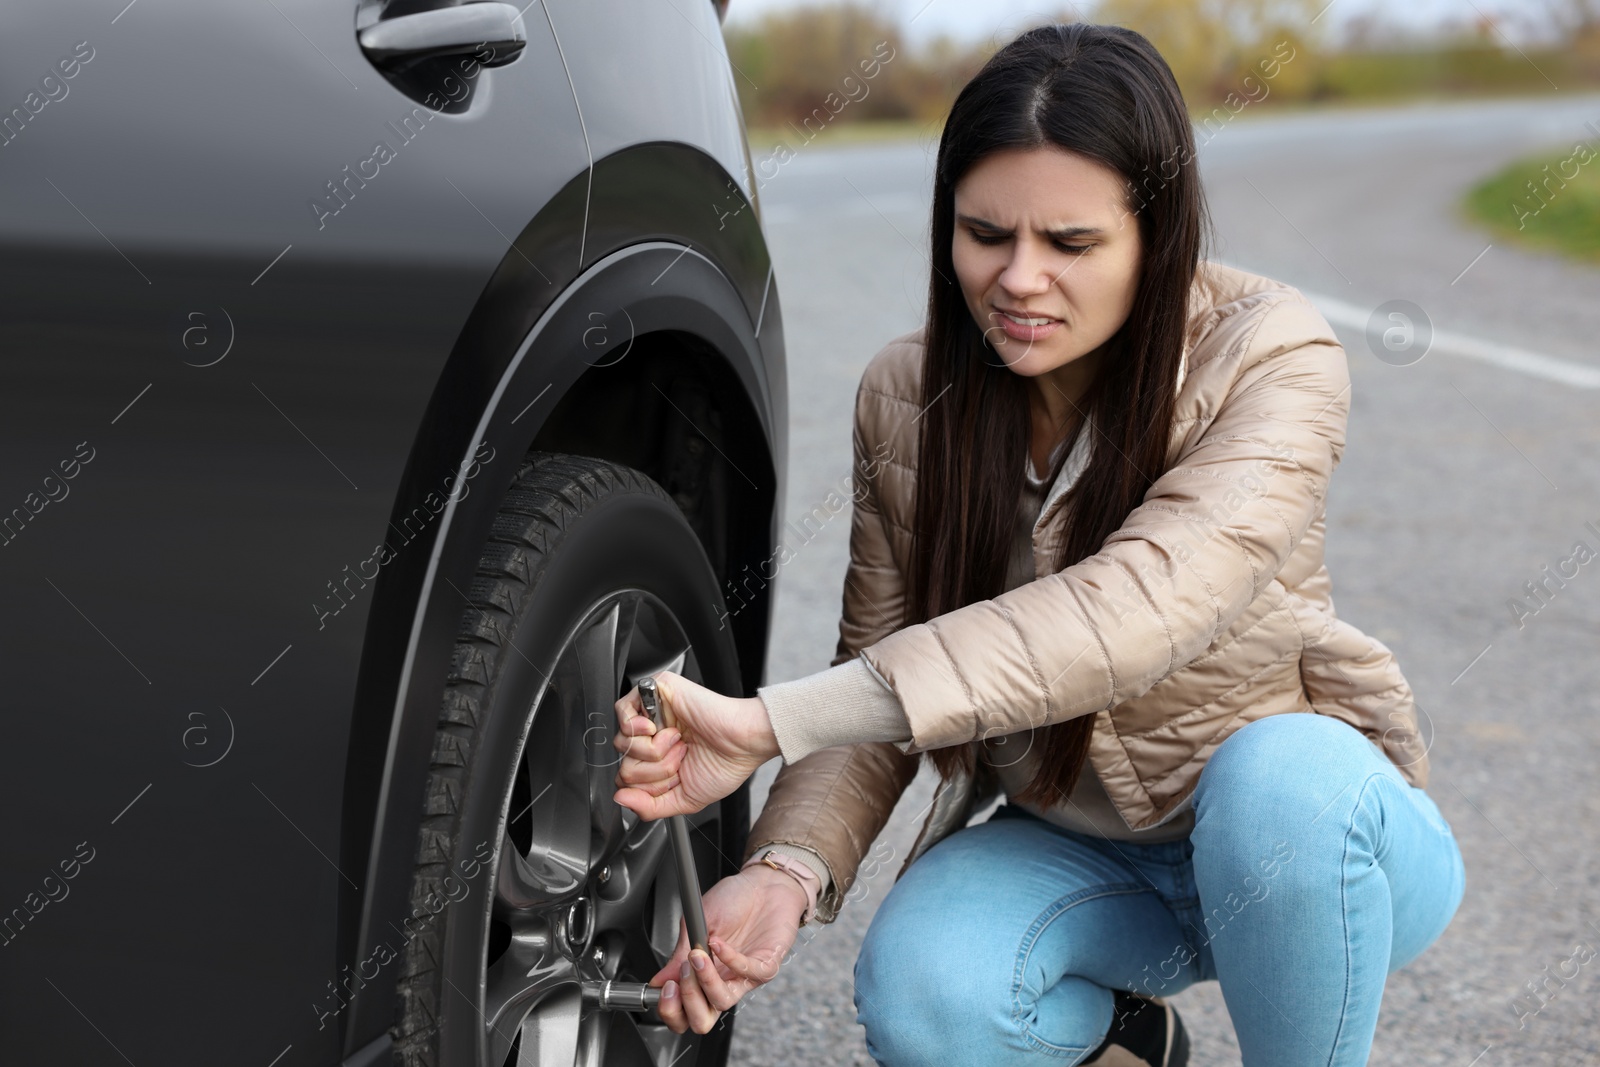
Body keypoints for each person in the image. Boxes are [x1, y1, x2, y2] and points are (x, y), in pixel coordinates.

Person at [610, 22, 1464, 1067]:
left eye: (1069, 244)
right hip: (1088, 861)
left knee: (1279, 782)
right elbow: (879, 661)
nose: (1017, 279)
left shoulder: (1270, 354)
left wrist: (761, 723)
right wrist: (783, 867)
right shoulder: (907, 392)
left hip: (1313, 851)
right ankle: (1127, 1041)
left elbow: (1126, 612)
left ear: (1156, 236)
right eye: (984, 233)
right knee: (927, 995)